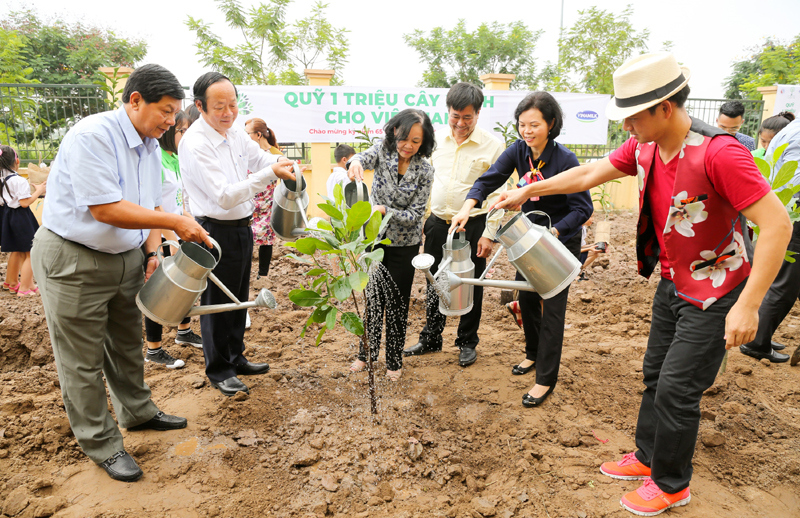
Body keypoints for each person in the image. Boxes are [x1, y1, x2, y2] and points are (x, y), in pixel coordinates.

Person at [487, 52, 791, 516]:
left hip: (716, 290)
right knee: (654, 375)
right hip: (673, 282)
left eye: (632, 116)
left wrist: (749, 305)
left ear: (664, 108)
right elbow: (588, 173)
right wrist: (528, 189)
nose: (626, 126)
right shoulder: (645, 147)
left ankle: (672, 484)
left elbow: (777, 225)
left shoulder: (720, 153)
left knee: (677, 387)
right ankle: (648, 458)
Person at [30, 64, 213, 482]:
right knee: (82, 359)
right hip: (75, 259)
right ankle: (103, 444)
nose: (171, 121)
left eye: (174, 113)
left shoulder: (149, 146)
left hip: (125, 257)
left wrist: (152, 253)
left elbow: (145, 206)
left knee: (127, 343)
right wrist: (175, 222)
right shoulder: (93, 136)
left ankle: (138, 412)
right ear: (135, 101)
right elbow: (106, 208)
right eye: (165, 111)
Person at [451, 91, 592, 402]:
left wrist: (555, 231)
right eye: (522, 124)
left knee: (552, 309)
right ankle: (532, 352)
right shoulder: (518, 152)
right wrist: (467, 206)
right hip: (528, 241)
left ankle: (545, 379)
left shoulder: (565, 159)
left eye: (535, 125)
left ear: (551, 124)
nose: (527, 131)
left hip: (558, 242)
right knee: (526, 299)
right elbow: (488, 180)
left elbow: (583, 209)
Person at [179, 72, 296, 397]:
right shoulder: (197, 143)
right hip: (213, 231)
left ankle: (236, 356)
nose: (228, 112)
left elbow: (260, 158)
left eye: (232, 104)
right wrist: (269, 174)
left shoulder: (233, 133)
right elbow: (225, 196)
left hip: (242, 229)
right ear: (200, 106)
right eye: (220, 106)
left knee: (238, 299)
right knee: (218, 303)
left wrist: (279, 161)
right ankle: (219, 370)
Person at [402, 82, 505, 367]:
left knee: (471, 282)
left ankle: (466, 341)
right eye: (455, 116)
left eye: (467, 117)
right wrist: (422, 219)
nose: (460, 123)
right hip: (438, 224)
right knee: (434, 279)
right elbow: (425, 181)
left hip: (473, 225)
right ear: (448, 111)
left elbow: (497, 191)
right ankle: (431, 338)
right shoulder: (435, 142)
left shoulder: (493, 146)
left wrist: (489, 233)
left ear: (478, 113)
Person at [347, 109, 435, 381]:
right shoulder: (382, 153)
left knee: (397, 304)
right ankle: (367, 353)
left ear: (424, 142)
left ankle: (394, 360)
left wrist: (386, 210)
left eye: (416, 141)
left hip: (405, 246)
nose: (408, 145)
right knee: (373, 299)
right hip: (375, 240)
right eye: (404, 137)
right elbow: (362, 157)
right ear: (394, 131)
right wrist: (355, 162)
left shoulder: (425, 170)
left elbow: (415, 216)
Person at [142, 110, 203, 370]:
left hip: (175, 232)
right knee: (158, 291)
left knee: (185, 286)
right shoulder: (156, 159)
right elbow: (155, 207)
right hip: (161, 234)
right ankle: (153, 349)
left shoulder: (175, 159)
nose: (186, 135)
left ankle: (184, 331)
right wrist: (170, 240)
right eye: (181, 130)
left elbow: (178, 204)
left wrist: (192, 223)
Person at [740, 115, 800, 365]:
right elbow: (794, 182)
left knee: (785, 278)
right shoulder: (795, 133)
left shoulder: (792, 129)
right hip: (793, 215)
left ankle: (760, 334)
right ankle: (756, 341)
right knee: (785, 282)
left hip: (785, 213)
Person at [0, 145, 46, 296]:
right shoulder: (18, 181)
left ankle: (11, 282)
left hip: (8, 215)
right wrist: (39, 190)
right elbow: (25, 202)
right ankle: (25, 288)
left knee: (18, 249)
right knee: (31, 251)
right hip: (21, 216)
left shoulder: (2, 179)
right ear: (17, 161)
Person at [244, 117, 283, 282]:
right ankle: (244, 272)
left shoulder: (276, 155)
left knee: (266, 238)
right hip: (248, 201)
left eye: (248, 134)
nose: (245, 138)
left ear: (258, 135)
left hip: (267, 203)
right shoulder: (246, 154)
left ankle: (263, 275)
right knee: (247, 238)